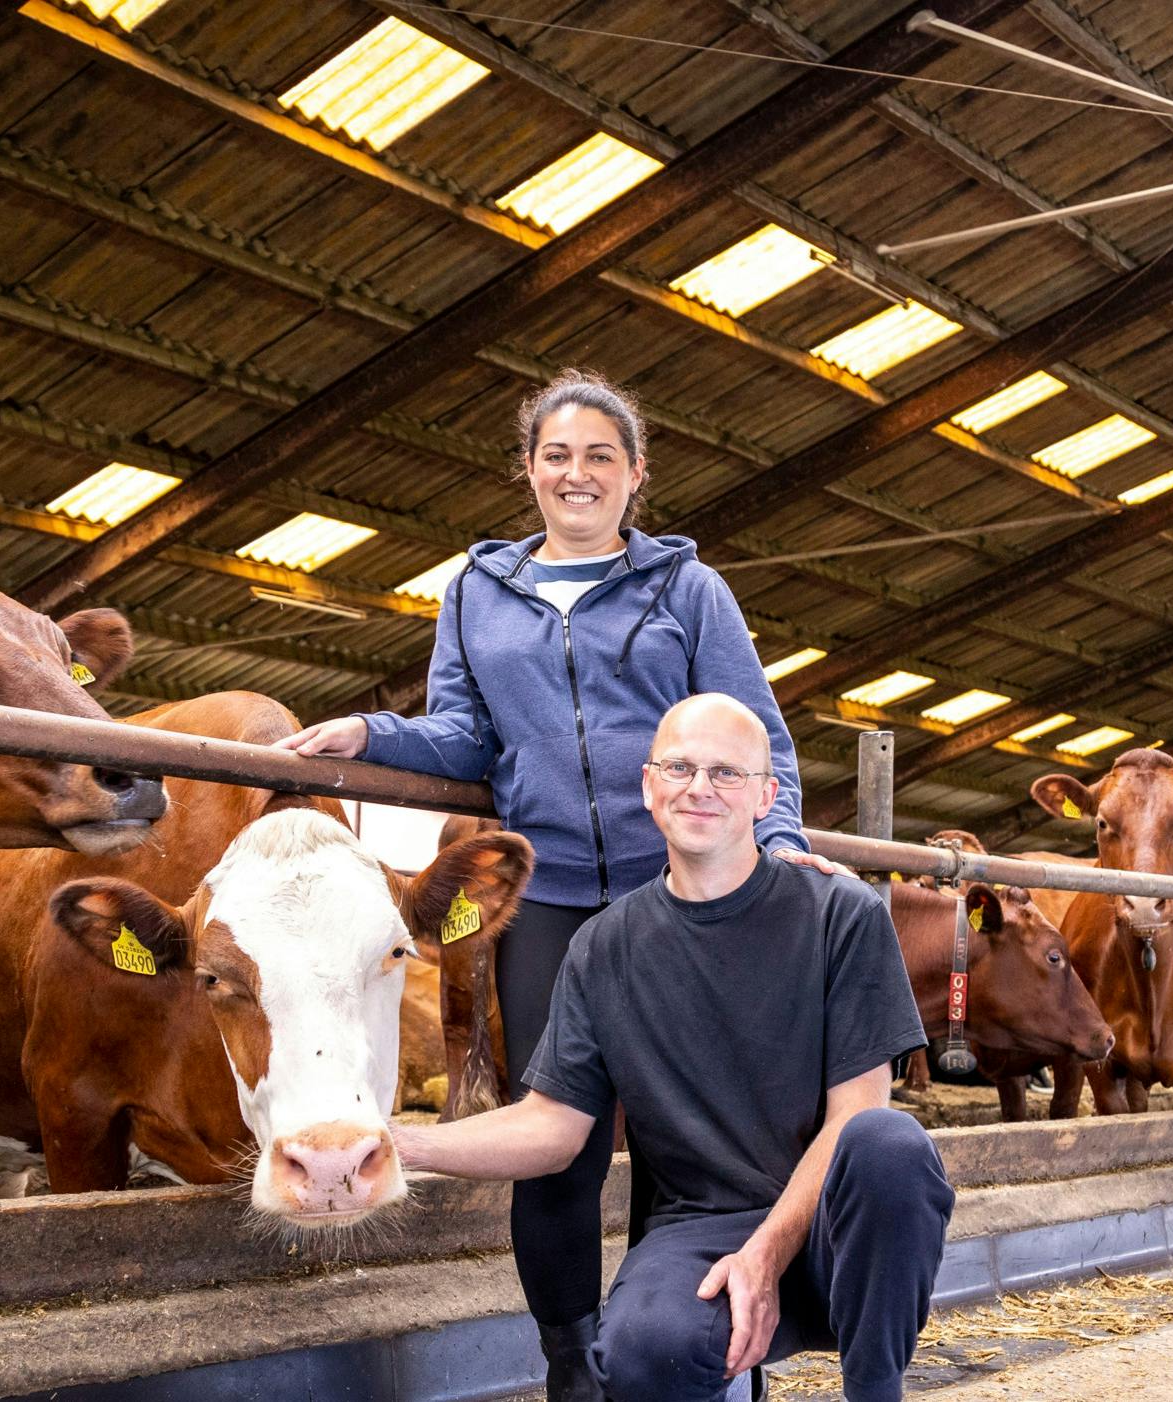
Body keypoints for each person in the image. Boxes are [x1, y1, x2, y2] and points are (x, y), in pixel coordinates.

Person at [276, 369, 840, 1397]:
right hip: (549, 898)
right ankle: (572, 1367)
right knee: (556, 1149)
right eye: (556, 455)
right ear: (528, 469)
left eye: (599, 457)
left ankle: (702, 1349)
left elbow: (753, 727)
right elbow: (463, 731)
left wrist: (783, 831)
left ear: (634, 478)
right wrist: (372, 730)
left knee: (691, 1141)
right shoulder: (475, 591)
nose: (575, 474)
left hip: (683, 892)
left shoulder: (687, 591)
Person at [394, 694, 954, 1402]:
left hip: (831, 1234)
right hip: (699, 1232)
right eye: (680, 767)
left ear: (765, 796)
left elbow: (855, 1116)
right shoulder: (603, 947)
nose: (699, 788)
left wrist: (765, 1254)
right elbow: (553, 1127)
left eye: (727, 773)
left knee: (890, 1146)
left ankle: (874, 1390)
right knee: (641, 1352)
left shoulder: (841, 914)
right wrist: (400, 1146)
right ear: (648, 785)